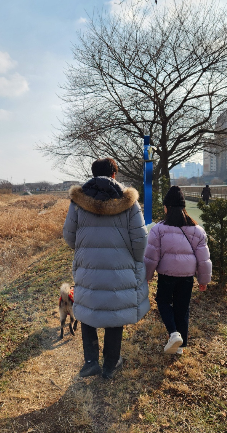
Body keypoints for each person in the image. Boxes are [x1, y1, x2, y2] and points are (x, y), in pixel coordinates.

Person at [63, 158, 150, 379]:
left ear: (93, 174)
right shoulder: (129, 201)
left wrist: (84, 251)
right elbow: (140, 239)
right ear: (114, 174)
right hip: (120, 265)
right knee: (115, 311)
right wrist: (135, 260)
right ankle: (111, 364)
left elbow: (69, 236)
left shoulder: (78, 201)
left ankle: (91, 361)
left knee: (87, 308)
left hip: (88, 265)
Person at [144, 186, 212, 355]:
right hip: (187, 276)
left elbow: (151, 256)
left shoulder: (158, 229)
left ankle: (174, 333)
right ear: (183, 207)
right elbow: (203, 259)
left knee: (163, 301)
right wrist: (203, 280)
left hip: (166, 274)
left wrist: (147, 275)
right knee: (182, 308)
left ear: (166, 207)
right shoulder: (197, 230)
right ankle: (180, 347)